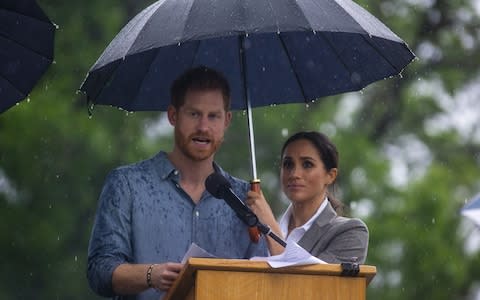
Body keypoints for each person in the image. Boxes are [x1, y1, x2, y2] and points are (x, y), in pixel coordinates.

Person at [87, 66, 268, 300]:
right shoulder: (127, 184)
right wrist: (150, 275)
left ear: (227, 120)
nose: (203, 127)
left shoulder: (245, 197)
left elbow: (262, 283)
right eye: (194, 114)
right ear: (173, 115)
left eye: (213, 116)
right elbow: (99, 271)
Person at [246, 131, 369, 263]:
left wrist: (269, 227)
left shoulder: (349, 232)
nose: (294, 174)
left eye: (307, 164)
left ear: (331, 175)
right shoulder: (255, 229)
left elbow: (306, 282)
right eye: (288, 164)